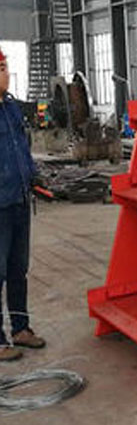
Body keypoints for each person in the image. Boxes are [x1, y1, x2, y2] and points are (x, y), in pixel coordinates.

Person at [0, 47, 45, 361]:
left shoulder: (11, 108)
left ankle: (20, 329)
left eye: (6, 67)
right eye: (1, 68)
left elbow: (22, 150)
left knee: (18, 269)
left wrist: (33, 175)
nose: (6, 73)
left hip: (19, 199)